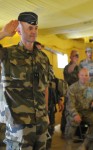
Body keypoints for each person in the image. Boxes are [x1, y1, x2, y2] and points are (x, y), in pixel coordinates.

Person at [0, 12, 53, 150]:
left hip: (41, 125)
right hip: (18, 128)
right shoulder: (7, 54)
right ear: (18, 30)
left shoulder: (43, 58)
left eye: (35, 28)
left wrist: (46, 113)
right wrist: (3, 33)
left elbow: (45, 87)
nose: (34, 32)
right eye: (29, 28)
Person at [65, 68, 93, 150]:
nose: (84, 77)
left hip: (87, 112)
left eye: (86, 75)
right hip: (75, 111)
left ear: (88, 76)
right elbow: (70, 104)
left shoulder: (92, 86)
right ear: (78, 76)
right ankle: (68, 144)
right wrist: (75, 114)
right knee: (73, 120)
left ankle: (86, 144)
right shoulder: (72, 88)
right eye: (82, 75)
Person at [60, 50, 80, 137]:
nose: (76, 57)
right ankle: (64, 130)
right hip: (69, 92)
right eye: (74, 55)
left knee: (75, 110)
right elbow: (69, 73)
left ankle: (74, 131)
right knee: (67, 111)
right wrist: (74, 64)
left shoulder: (78, 67)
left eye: (77, 56)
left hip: (77, 92)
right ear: (70, 57)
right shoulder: (68, 67)